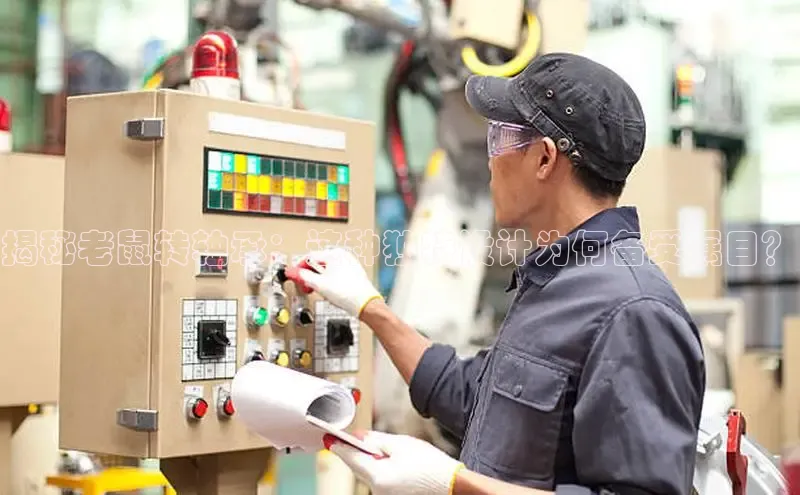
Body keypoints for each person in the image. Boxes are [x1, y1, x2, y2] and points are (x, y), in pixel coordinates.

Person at [295, 52, 706, 495]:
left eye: (501, 138)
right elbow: (478, 400)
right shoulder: (555, 281)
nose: (491, 161)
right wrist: (370, 307)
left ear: (544, 159)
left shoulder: (633, 311)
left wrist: (452, 482)